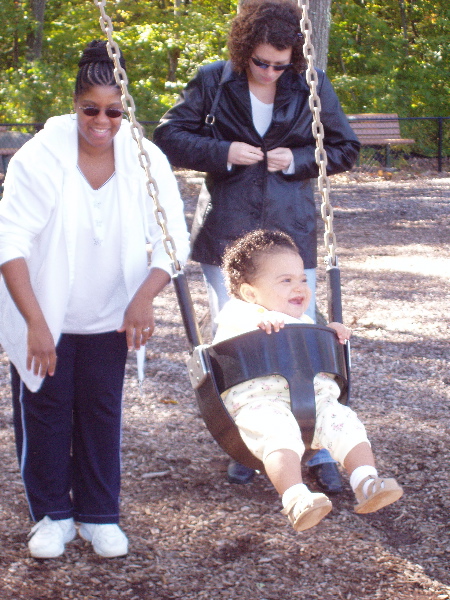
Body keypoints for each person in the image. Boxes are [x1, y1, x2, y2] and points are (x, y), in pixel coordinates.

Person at [153, 0, 360, 490]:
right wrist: (222, 151)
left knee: (303, 335)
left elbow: (345, 148)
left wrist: (297, 159)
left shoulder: (308, 84)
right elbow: (169, 135)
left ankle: (322, 446)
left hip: (290, 229)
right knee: (238, 338)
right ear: (244, 50)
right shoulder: (213, 80)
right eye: (260, 62)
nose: (269, 73)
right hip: (228, 231)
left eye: (280, 65)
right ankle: (249, 441)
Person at [0, 40, 190, 559]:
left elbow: (174, 238)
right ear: (75, 105)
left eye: (114, 110)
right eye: (91, 109)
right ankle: (51, 516)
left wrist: (144, 299)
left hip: (111, 315)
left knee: (102, 411)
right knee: (46, 410)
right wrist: (37, 323)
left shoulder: (145, 158)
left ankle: (99, 513)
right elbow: (9, 243)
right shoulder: (40, 157)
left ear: (125, 109)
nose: (101, 121)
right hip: (45, 315)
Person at [213, 229, 403, 531]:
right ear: (250, 293)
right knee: (278, 435)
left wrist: (330, 335)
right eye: (285, 280)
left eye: (302, 278)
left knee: (345, 422)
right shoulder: (239, 312)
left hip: (315, 403)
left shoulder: (300, 320)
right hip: (262, 405)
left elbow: (311, 355)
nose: (300, 286)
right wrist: (257, 320)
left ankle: (366, 481)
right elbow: (233, 326)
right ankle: (296, 498)